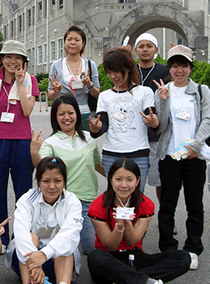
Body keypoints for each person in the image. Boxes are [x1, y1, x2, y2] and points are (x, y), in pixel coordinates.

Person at [87, 158, 191, 284]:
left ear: (137, 181)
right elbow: (110, 245)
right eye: (118, 179)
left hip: (135, 257)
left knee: (183, 258)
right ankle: (144, 281)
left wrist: (128, 223)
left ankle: (134, 280)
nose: (124, 185)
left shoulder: (146, 204)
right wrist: (119, 226)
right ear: (111, 180)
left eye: (129, 179)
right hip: (109, 259)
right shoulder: (98, 205)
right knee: (95, 257)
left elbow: (132, 241)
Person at [0, 40, 39, 253]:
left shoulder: (30, 80)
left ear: (24, 61)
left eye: (17, 58)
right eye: (8, 57)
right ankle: (1, 238)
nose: (12, 61)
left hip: (22, 141)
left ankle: (20, 237)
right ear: (1, 59)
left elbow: (27, 110)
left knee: (23, 192)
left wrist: (21, 84)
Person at [154, 45, 210, 270]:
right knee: (167, 205)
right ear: (170, 68)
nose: (179, 70)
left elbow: (207, 120)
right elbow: (162, 126)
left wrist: (196, 145)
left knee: (194, 205)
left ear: (190, 67)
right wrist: (164, 101)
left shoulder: (201, 91)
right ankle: (167, 249)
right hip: (170, 157)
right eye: (175, 65)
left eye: (183, 65)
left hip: (194, 157)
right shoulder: (163, 90)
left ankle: (193, 249)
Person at [30, 93, 105, 255]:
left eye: (70, 113)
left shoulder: (89, 138)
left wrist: (119, 179)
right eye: (61, 114)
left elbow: (98, 164)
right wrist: (34, 153)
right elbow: (43, 170)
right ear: (55, 117)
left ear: (77, 114)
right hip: (62, 204)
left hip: (87, 203)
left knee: (92, 249)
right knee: (62, 249)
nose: (67, 118)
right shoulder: (50, 143)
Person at [89, 47, 159, 192]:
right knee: (115, 196)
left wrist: (153, 122)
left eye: (116, 71)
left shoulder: (144, 92)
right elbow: (104, 125)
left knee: (137, 195)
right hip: (111, 154)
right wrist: (95, 129)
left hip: (139, 153)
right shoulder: (104, 96)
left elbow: (153, 122)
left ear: (127, 69)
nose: (113, 76)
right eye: (109, 72)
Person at [5, 157, 82, 284]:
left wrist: (44, 254)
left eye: (57, 181)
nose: (52, 186)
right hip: (27, 263)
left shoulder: (72, 201)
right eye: (46, 181)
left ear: (64, 181)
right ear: (38, 181)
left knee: (63, 240)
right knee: (31, 237)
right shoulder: (26, 200)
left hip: (58, 262)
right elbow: (21, 233)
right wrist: (35, 263)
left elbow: (71, 234)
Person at [134, 33, 170, 205]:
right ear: (136, 50)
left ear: (156, 49)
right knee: (134, 180)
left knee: (160, 180)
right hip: (134, 133)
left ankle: (165, 215)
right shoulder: (130, 71)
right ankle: (135, 216)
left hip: (157, 133)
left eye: (149, 46)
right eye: (141, 46)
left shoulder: (164, 70)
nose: (145, 49)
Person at [48, 25, 100, 130]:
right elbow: (50, 96)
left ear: (83, 43)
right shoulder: (56, 65)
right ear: (64, 43)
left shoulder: (90, 65)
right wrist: (56, 91)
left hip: (84, 113)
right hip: (63, 114)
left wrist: (90, 85)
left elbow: (97, 94)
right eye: (69, 39)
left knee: (83, 144)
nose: (72, 43)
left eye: (77, 40)